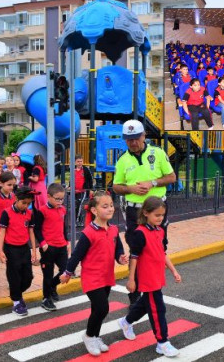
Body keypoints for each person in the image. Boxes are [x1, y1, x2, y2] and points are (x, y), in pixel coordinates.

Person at [113, 119, 175, 306]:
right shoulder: (123, 159)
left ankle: (154, 287)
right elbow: (116, 186)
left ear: (143, 136)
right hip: (134, 211)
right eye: (128, 139)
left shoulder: (158, 153)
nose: (132, 142)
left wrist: (153, 183)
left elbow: (172, 177)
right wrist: (130, 188)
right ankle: (135, 294)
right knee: (136, 250)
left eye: (135, 138)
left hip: (156, 209)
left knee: (158, 248)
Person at [60, 191, 128, 356]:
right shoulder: (88, 233)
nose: (110, 209)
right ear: (94, 211)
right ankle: (89, 336)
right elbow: (77, 255)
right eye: (105, 206)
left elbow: (117, 248)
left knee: (98, 309)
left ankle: (96, 336)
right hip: (92, 277)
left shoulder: (113, 229)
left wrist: (120, 257)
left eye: (111, 205)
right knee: (102, 308)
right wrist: (68, 272)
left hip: (106, 276)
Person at [118, 197, 182, 357]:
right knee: (158, 309)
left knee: (146, 305)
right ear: (146, 213)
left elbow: (162, 253)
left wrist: (174, 270)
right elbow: (134, 257)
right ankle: (162, 342)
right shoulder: (140, 233)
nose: (160, 218)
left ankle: (125, 322)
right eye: (157, 215)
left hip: (157, 275)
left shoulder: (159, 231)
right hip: (147, 278)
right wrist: (131, 279)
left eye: (162, 215)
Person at [0, 186, 39, 316]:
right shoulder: (7, 213)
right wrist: (1, 251)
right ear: (16, 199)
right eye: (23, 203)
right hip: (11, 249)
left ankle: (17, 293)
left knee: (28, 277)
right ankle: (16, 301)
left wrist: (33, 250)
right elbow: (2, 232)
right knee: (14, 276)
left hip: (24, 248)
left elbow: (31, 231)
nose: (25, 206)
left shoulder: (29, 214)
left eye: (28, 203)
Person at [35, 183, 70, 311]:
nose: (60, 201)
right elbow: (37, 230)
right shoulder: (42, 211)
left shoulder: (63, 210)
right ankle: (46, 298)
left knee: (66, 271)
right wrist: (43, 243)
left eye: (62, 199)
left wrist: (67, 241)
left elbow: (64, 227)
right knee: (48, 274)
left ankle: (52, 287)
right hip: (48, 248)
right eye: (57, 199)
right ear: (48, 196)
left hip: (61, 246)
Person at [73, 155, 93, 225]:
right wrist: (70, 186)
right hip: (74, 191)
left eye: (81, 161)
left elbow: (90, 179)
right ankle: (80, 221)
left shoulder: (85, 169)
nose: (79, 163)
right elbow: (71, 179)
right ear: (75, 162)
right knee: (76, 205)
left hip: (83, 190)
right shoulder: (73, 169)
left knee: (79, 204)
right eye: (78, 161)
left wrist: (90, 189)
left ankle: (76, 221)